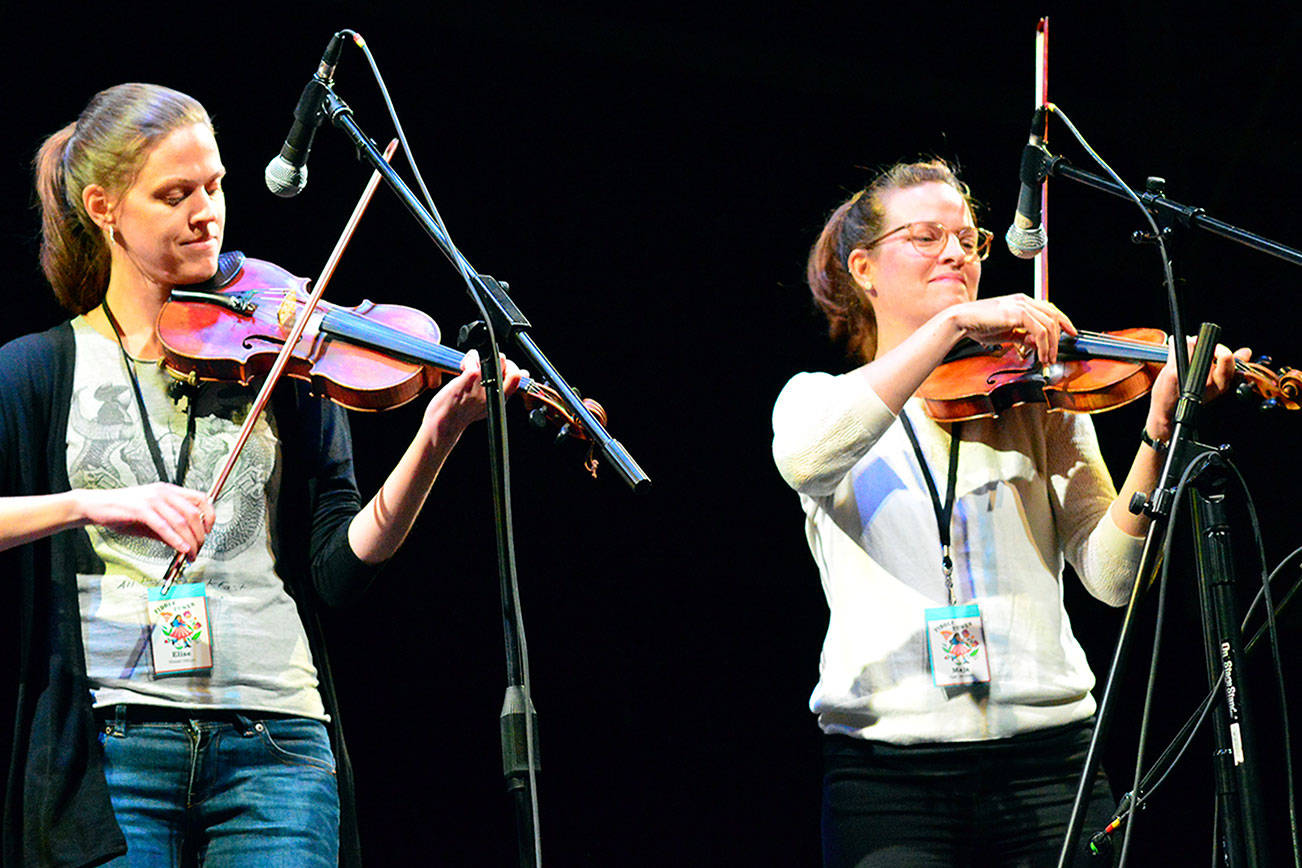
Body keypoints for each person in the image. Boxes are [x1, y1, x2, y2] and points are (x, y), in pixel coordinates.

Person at [0, 83, 521, 867]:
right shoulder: (36, 370)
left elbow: (338, 569)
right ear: (105, 208)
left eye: (214, 185)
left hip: (275, 745)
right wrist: (90, 503)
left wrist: (436, 438)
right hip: (114, 746)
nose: (205, 211)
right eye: (173, 195)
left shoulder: (282, 347)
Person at [771, 159, 1244, 867]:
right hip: (890, 782)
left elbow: (1112, 579)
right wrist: (955, 321)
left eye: (968, 239)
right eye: (927, 237)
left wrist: (1159, 434)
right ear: (864, 268)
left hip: (1052, 767)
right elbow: (808, 460)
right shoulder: (815, 399)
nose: (956, 253)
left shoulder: (1034, 399)